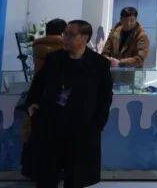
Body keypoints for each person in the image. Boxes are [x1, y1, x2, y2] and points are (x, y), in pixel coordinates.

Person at [25, 20, 112, 188]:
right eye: (64, 33)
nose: (65, 37)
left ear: (84, 38)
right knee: (46, 176)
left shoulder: (99, 64)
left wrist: (97, 125)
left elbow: (105, 98)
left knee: (76, 177)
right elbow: (38, 85)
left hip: (81, 129)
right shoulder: (54, 59)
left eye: (71, 34)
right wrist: (32, 106)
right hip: (51, 125)